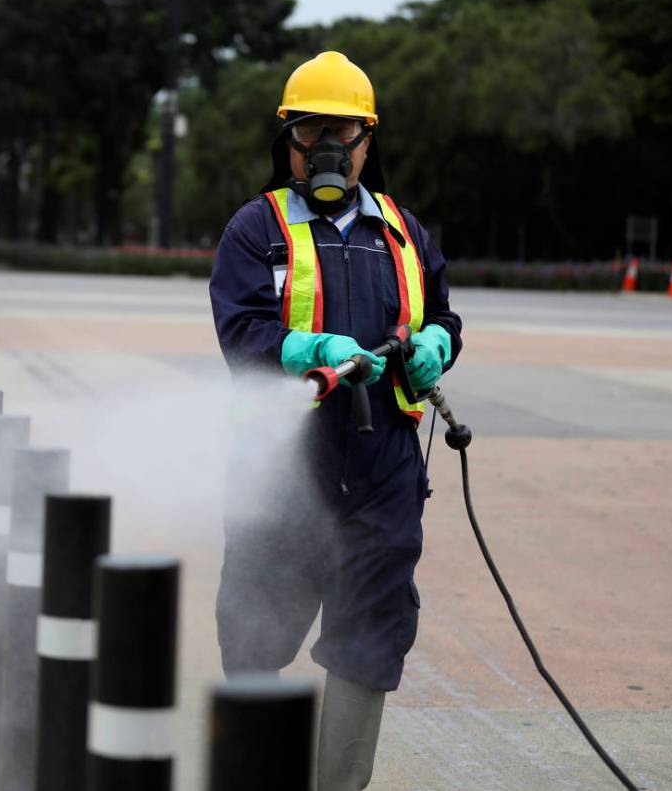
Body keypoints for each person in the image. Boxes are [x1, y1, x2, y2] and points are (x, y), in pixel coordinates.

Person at [209, 51, 463, 790]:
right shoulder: (255, 230)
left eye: (341, 131)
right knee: (255, 632)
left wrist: (437, 345)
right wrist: (310, 349)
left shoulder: (404, 232)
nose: (325, 147)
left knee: (369, 633)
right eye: (309, 130)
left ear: (366, 140)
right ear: (286, 138)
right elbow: (240, 334)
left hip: (383, 466)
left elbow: (440, 311)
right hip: (286, 465)